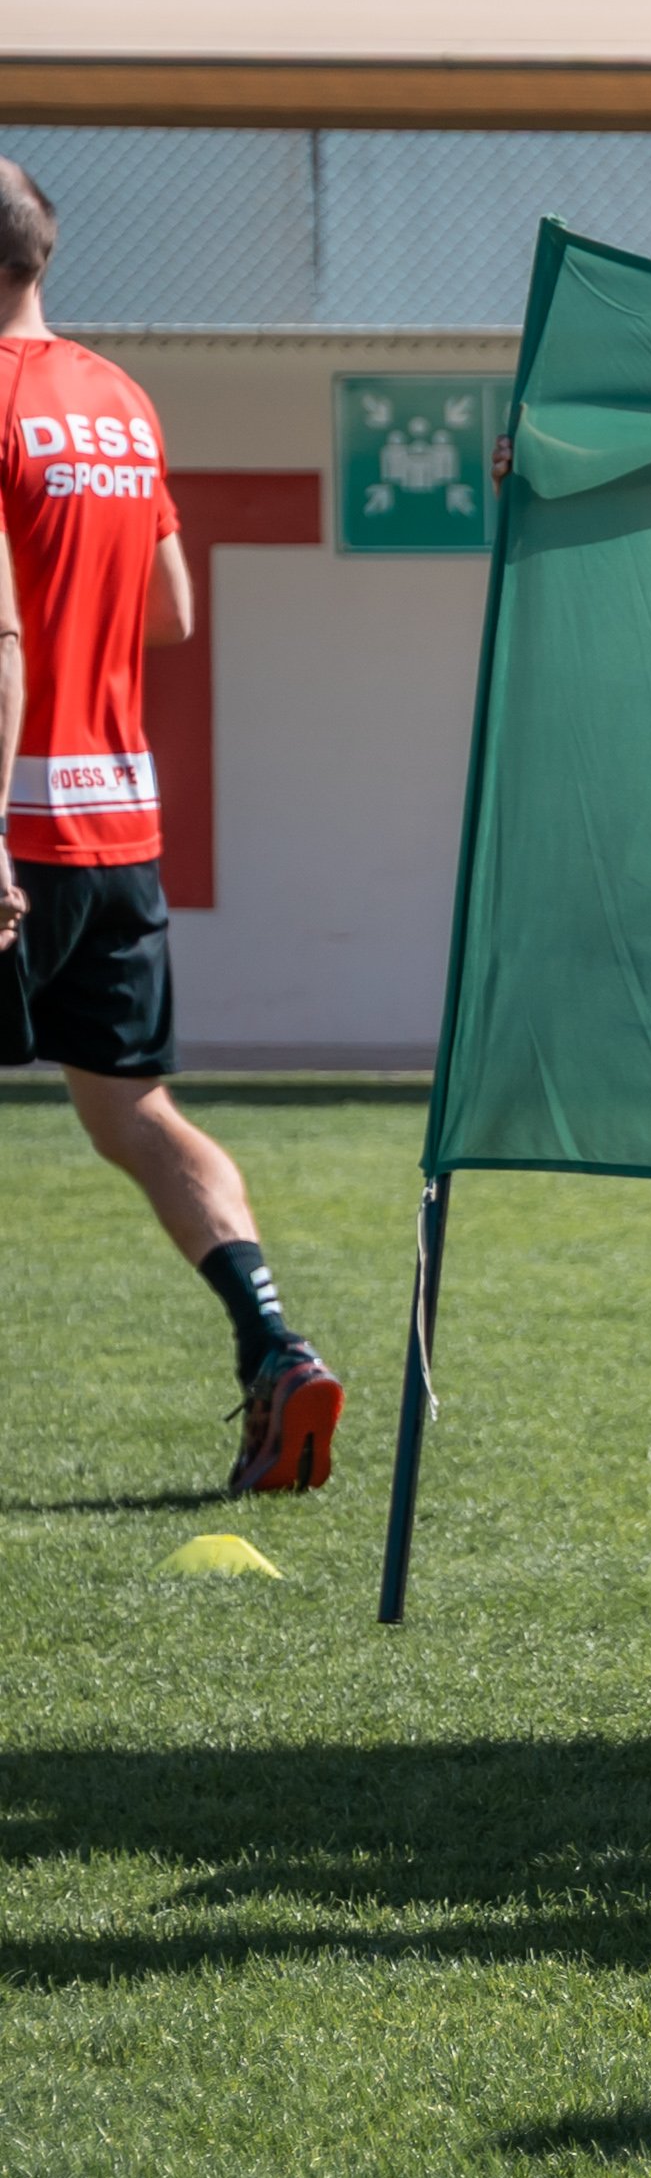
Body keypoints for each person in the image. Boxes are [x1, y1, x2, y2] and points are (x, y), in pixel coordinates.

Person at [0, 157, 337, 1488]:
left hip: (14, 821)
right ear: (47, 251)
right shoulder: (118, 400)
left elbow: (1, 641)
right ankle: (274, 1340)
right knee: (134, 1111)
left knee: (128, 1115)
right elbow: (172, 609)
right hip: (117, 824)